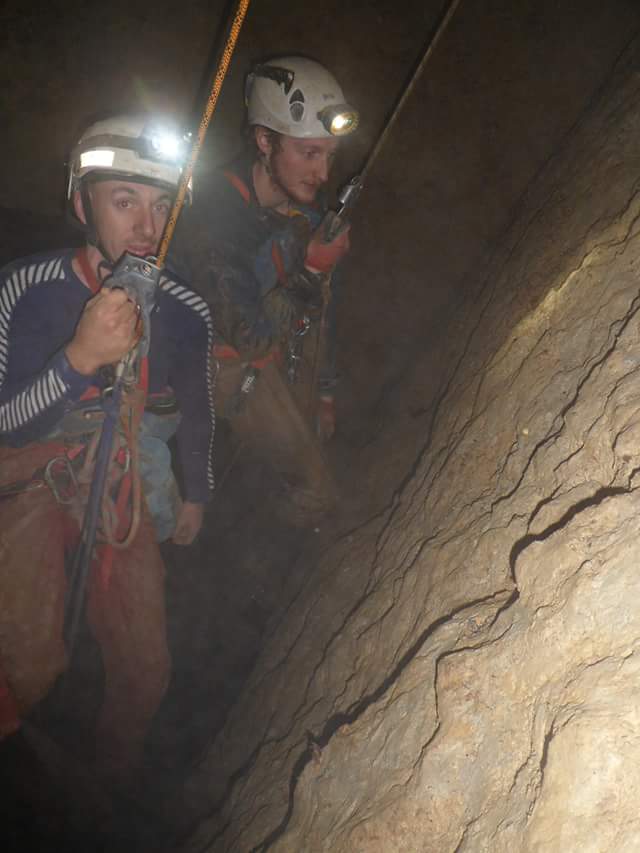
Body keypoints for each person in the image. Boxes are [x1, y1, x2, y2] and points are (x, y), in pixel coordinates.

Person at [0, 114, 215, 786]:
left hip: (121, 476)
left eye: (162, 205)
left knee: (146, 669)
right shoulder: (25, 289)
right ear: (82, 204)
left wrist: (197, 490)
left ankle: (106, 784)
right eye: (125, 201)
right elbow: (4, 428)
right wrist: (78, 359)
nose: (148, 226)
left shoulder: (186, 310)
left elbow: (198, 403)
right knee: (27, 662)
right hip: (32, 474)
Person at [175, 56, 358, 524]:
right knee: (315, 485)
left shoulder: (306, 212)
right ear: (264, 141)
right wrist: (311, 269)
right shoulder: (215, 214)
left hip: (275, 351)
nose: (322, 173)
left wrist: (324, 390)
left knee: (314, 443)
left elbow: (322, 310)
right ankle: (288, 539)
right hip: (216, 368)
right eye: (309, 153)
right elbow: (248, 337)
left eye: (330, 155)